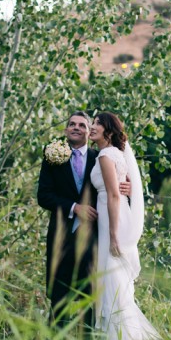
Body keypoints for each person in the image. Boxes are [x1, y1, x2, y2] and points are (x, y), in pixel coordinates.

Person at [88, 112, 171, 340]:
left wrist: (114, 235)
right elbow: (123, 189)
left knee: (113, 287)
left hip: (112, 220)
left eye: (97, 123)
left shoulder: (105, 155)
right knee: (117, 287)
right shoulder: (117, 153)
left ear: (108, 130)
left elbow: (114, 195)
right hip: (116, 217)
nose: (92, 127)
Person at [37, 111, 130, 329]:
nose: (76, 128)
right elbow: (43, 196)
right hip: (62, 237)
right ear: (65, 130)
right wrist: (74, 207)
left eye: (82, 125)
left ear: (90, 132)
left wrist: (130, 188)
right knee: (59, 299)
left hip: (95, 238)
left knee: (90, 297)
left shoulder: (101, 157)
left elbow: (116, 190)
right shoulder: (52, 155)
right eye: (72, 124)